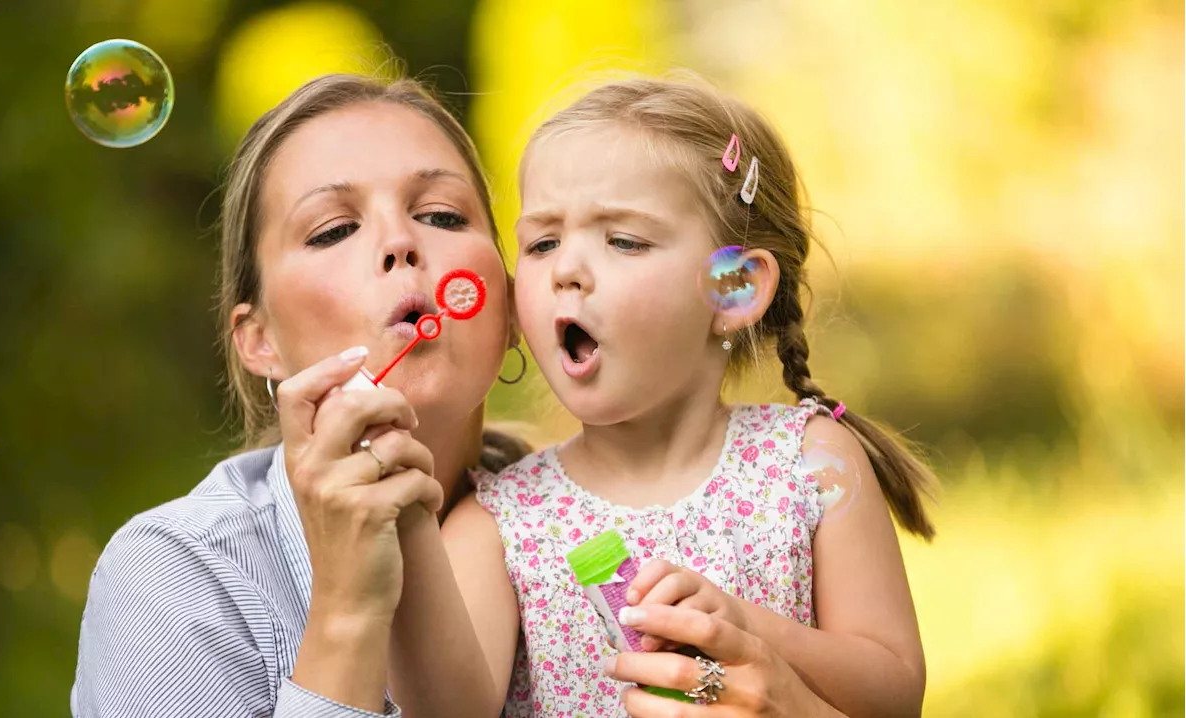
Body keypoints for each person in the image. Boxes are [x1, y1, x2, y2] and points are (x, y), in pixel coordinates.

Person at [71, 71, 841, 718]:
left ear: (511, 309)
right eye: (333, 229)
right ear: (258, 338)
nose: (403, 243)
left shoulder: (568, 519)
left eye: (441, 216)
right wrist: (344, 610)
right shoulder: (175, 577)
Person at [388, 75, 938, 718]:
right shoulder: (500, 526)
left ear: (733, 287)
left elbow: (895, 692)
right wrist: (402, 523)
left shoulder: (810, 464)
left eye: (623, 240)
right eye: (542, 243)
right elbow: (443, 711)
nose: (566, 270)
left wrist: (743, 627)